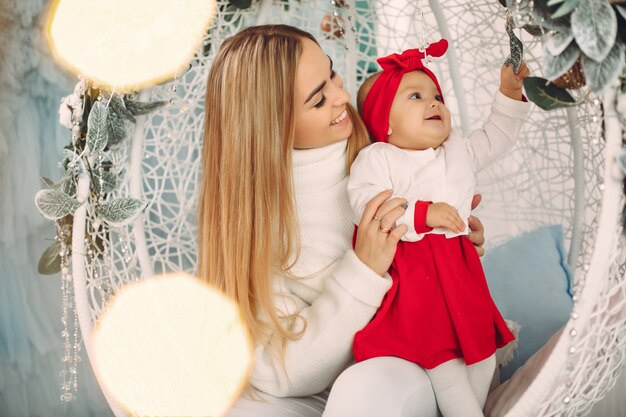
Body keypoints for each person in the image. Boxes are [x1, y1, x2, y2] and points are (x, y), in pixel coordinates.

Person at [198, 24, 487, 417]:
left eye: (332, 73)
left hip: (415, 359)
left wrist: (457, 245)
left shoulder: (385, 147)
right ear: (272, 126)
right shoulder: (261, 222)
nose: (343, 94)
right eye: (318, 101)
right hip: (314, 385)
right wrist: (363, 270)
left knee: (364, 388)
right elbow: (279, 372)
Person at [340, 40, 530, 417]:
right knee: (445, 366)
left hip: (461, 272)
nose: (433, 102)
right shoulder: (379, 158)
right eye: (415, 96)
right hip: (418, 279)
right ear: (386, 123)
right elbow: (367, 207)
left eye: (436, 94)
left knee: (480, 356)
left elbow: (497, 137)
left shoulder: (457, 149)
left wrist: (508, 94)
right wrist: (422, 213)